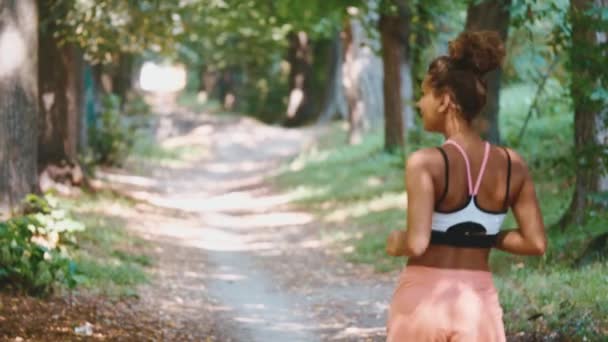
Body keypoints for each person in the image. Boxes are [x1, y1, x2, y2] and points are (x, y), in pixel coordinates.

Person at [385, 30, 547, 341]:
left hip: (422, 301)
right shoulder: (512, 165)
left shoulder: (425, 163)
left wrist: (395, 241)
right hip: (477, 306)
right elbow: (535, 243)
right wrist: (485, 236)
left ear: (445, 100)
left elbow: (417, 243)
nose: (420, 104)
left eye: (424, 93)